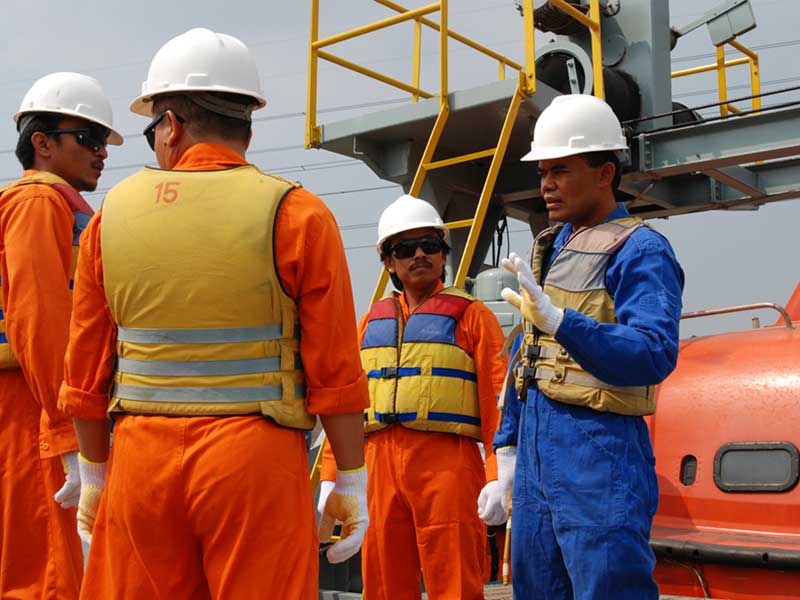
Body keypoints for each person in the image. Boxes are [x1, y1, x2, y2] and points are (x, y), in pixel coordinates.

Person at [57, 28, 369, 599]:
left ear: (171, 123)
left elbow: (85, 370)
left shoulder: (110, 219)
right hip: (257, 460)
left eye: (153, 129)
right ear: (246, 119)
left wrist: (96, 471)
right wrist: (350, 476)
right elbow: (336, 372)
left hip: (139, 461)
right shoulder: (296, 213)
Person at [478, 94, 685, 599]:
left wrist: (562, 322)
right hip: (537, 459)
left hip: (600, 458)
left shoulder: (641, 249)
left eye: (561, 170)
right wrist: (507, 452)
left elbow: (654, 351)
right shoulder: (551, 246)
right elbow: (529, 359)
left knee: (608, 588)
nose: (546, 184)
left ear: (604, 172)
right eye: (543, 171)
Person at [319, 194, 507, 600]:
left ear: (443, 254)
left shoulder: (474, 317)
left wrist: (498, 475)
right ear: (389, 261)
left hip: (448, 465)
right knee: (383, 582)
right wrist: (331, 479)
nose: (419, 255)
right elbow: (346, 405)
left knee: (455, 579)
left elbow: (498, 404)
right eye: (405, 248)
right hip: (377, 467)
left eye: (430, 246)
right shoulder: (369, 323)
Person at [0, 72, 122, 599]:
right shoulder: (38, 203)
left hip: (45, 404)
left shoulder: (58, 205)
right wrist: (68, 428)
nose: (102, 153)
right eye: (89, 139)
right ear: (42, 143)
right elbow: (39, 317)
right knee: (47, 568)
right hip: (37, 407)